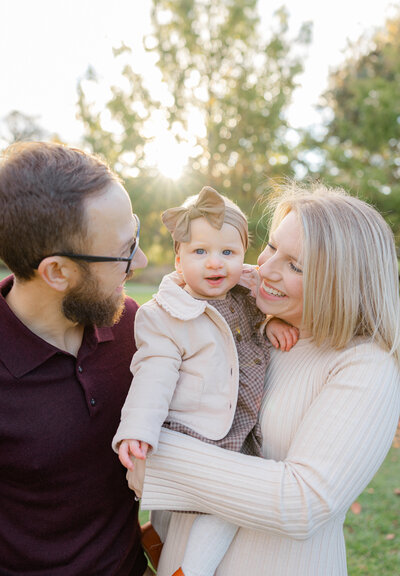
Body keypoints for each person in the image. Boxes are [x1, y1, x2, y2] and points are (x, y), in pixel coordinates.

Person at [129, 183, 400, 576]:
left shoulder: (365, 366)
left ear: (340, 283)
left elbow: (303, 501)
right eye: (272, 247)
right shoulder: (245, 325)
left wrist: (154, 456)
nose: (266, 269)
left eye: (295, 265)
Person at [112, 186, 298, 576]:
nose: (215, 264)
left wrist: (273, 321)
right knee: (224, 509)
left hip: (239, 421)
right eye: (200, 252)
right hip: (200, 431)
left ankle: (157, 543)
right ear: (178, 259)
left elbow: (277, 298)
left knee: (203, 511)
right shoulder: (166, 314)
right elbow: (153, 375)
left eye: (228, 253)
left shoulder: (247, 291)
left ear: (243, 256)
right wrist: (137, 428)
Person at [0, 141, 153, 575]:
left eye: (135, 235)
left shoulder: (136, 328)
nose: (139, 261)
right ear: (57, 272)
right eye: (125, 250)